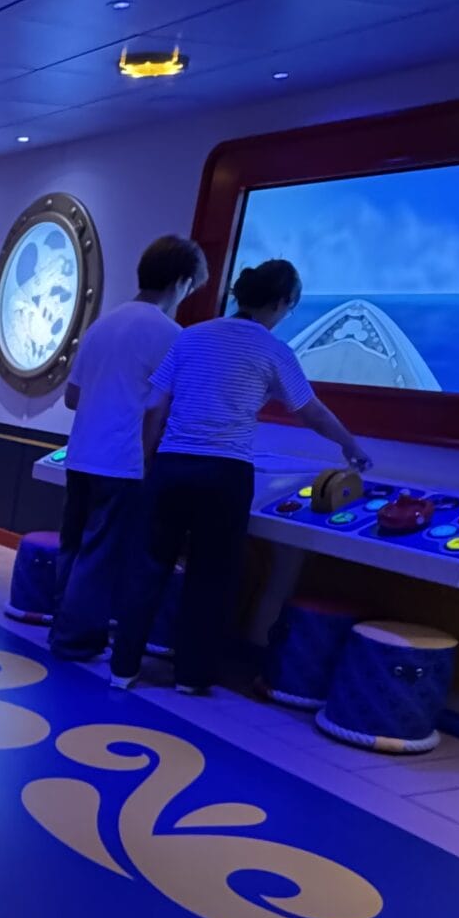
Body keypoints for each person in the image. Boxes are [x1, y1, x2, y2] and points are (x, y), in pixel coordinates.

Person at [121, 256, 369, 695]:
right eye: (289, 307)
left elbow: (154, 406)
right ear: (281, 302)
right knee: (211, 576)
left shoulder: (191, 336)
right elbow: (310, 411)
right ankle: (191, 677)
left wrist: (147, 460)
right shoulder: (273, 350)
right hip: (225, 473)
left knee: (148, 566)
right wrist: (349, 444)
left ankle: (123, 667)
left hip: (173, 465)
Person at [48, 235, 205, 663]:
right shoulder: (171, 336)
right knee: (100, 555)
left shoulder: (101, 326)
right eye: (192, 287)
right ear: (181, 282)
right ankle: (76, 640)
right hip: (123, 462)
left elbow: (72, 398)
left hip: (81, 454)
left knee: (73, 546)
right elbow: (166, 406)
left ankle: (62, 626)